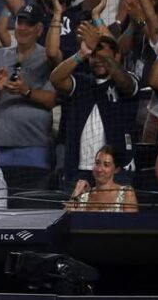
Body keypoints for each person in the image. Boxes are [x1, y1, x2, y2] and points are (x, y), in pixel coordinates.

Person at [50, 25, 140, 184]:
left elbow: (127, 85)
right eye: (93, 55)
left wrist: (103, 54)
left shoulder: (126, 79)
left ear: (116, 56)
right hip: (80, 171)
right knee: (75, 209)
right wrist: (82, 53)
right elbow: (56, 79)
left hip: (117, 171)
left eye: (103, 54)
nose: (98, 60)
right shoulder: (81, 82)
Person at [0, 3, 56, 173]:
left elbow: (51, 100)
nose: (23, 28)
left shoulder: (48, 58)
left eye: (29, 24)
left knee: (31, 198)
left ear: (39, 29)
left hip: (35, 146)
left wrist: (26, 91)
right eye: (20, 22)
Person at [66, 145, 138, 213]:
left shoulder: (126, 193)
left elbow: (131, 223)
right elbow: (66, 219)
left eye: (106, 165)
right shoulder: (83, 194)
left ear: (116, 169)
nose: (99, 169)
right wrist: (76, 193)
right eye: (97, 163)